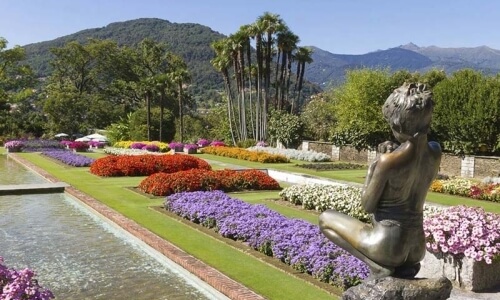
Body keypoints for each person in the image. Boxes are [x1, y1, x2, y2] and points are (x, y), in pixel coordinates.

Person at [319, 83, 442, 280]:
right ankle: (406, 268)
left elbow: (368, 205)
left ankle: (377, 266)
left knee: (325, 219)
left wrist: (375, 165)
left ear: (397, 125)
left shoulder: (388, 161)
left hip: (388, 246)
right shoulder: (435, 151)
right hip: (417, 248)